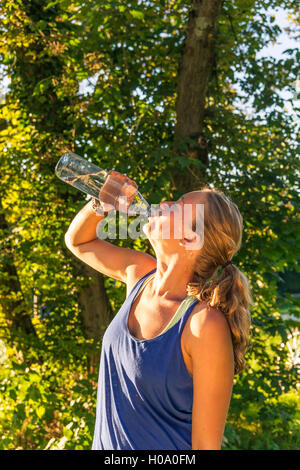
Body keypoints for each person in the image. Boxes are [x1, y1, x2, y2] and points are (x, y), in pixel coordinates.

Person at [64, 183, 253, 450]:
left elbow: (205, 447)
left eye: (176, 205)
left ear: (189, 239)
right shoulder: (139, 275)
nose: (163, 203)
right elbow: (79, 241)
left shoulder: (203, 324)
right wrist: (102, 203)